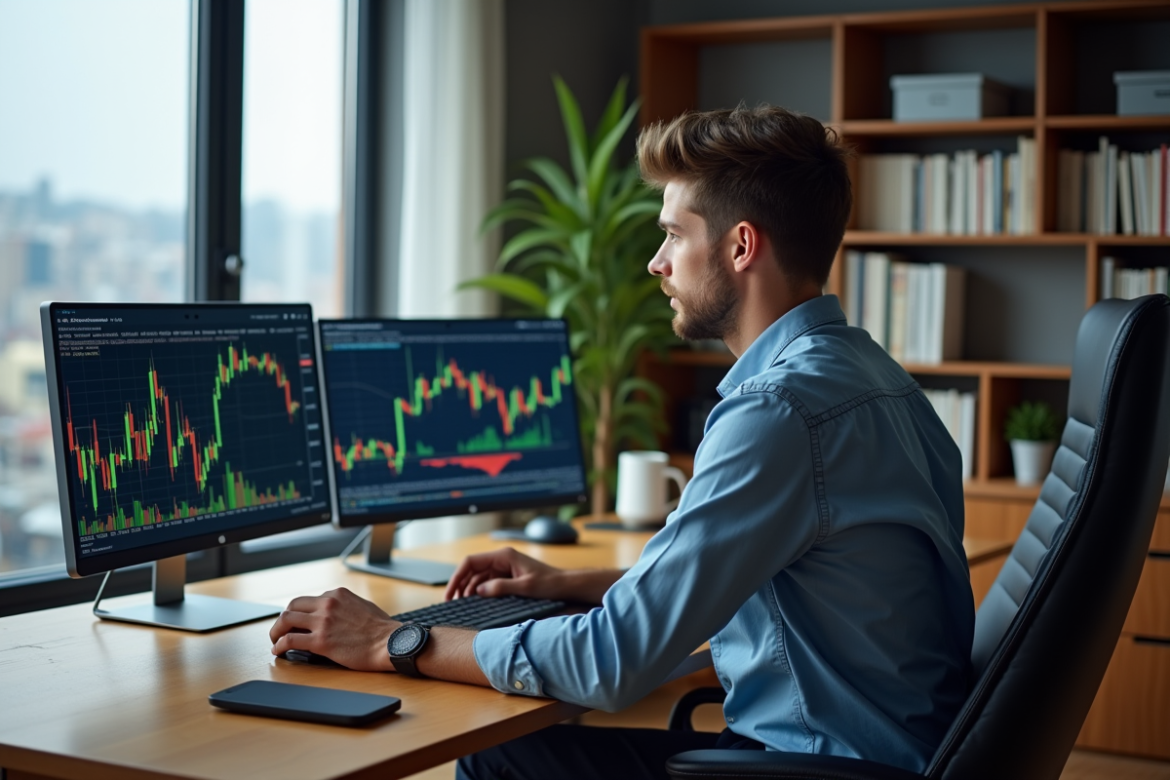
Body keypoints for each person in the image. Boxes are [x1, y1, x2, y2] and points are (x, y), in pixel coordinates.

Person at [269, 105, 975, 780]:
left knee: (501, 759)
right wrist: (565, 585)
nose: (657, 263)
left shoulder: (777, 413)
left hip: (820, 766)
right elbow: (745, 578)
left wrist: (390, 640)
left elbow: (611, 662)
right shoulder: (876, 379)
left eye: (674, 235)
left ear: (740, 246)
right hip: (884, 754)